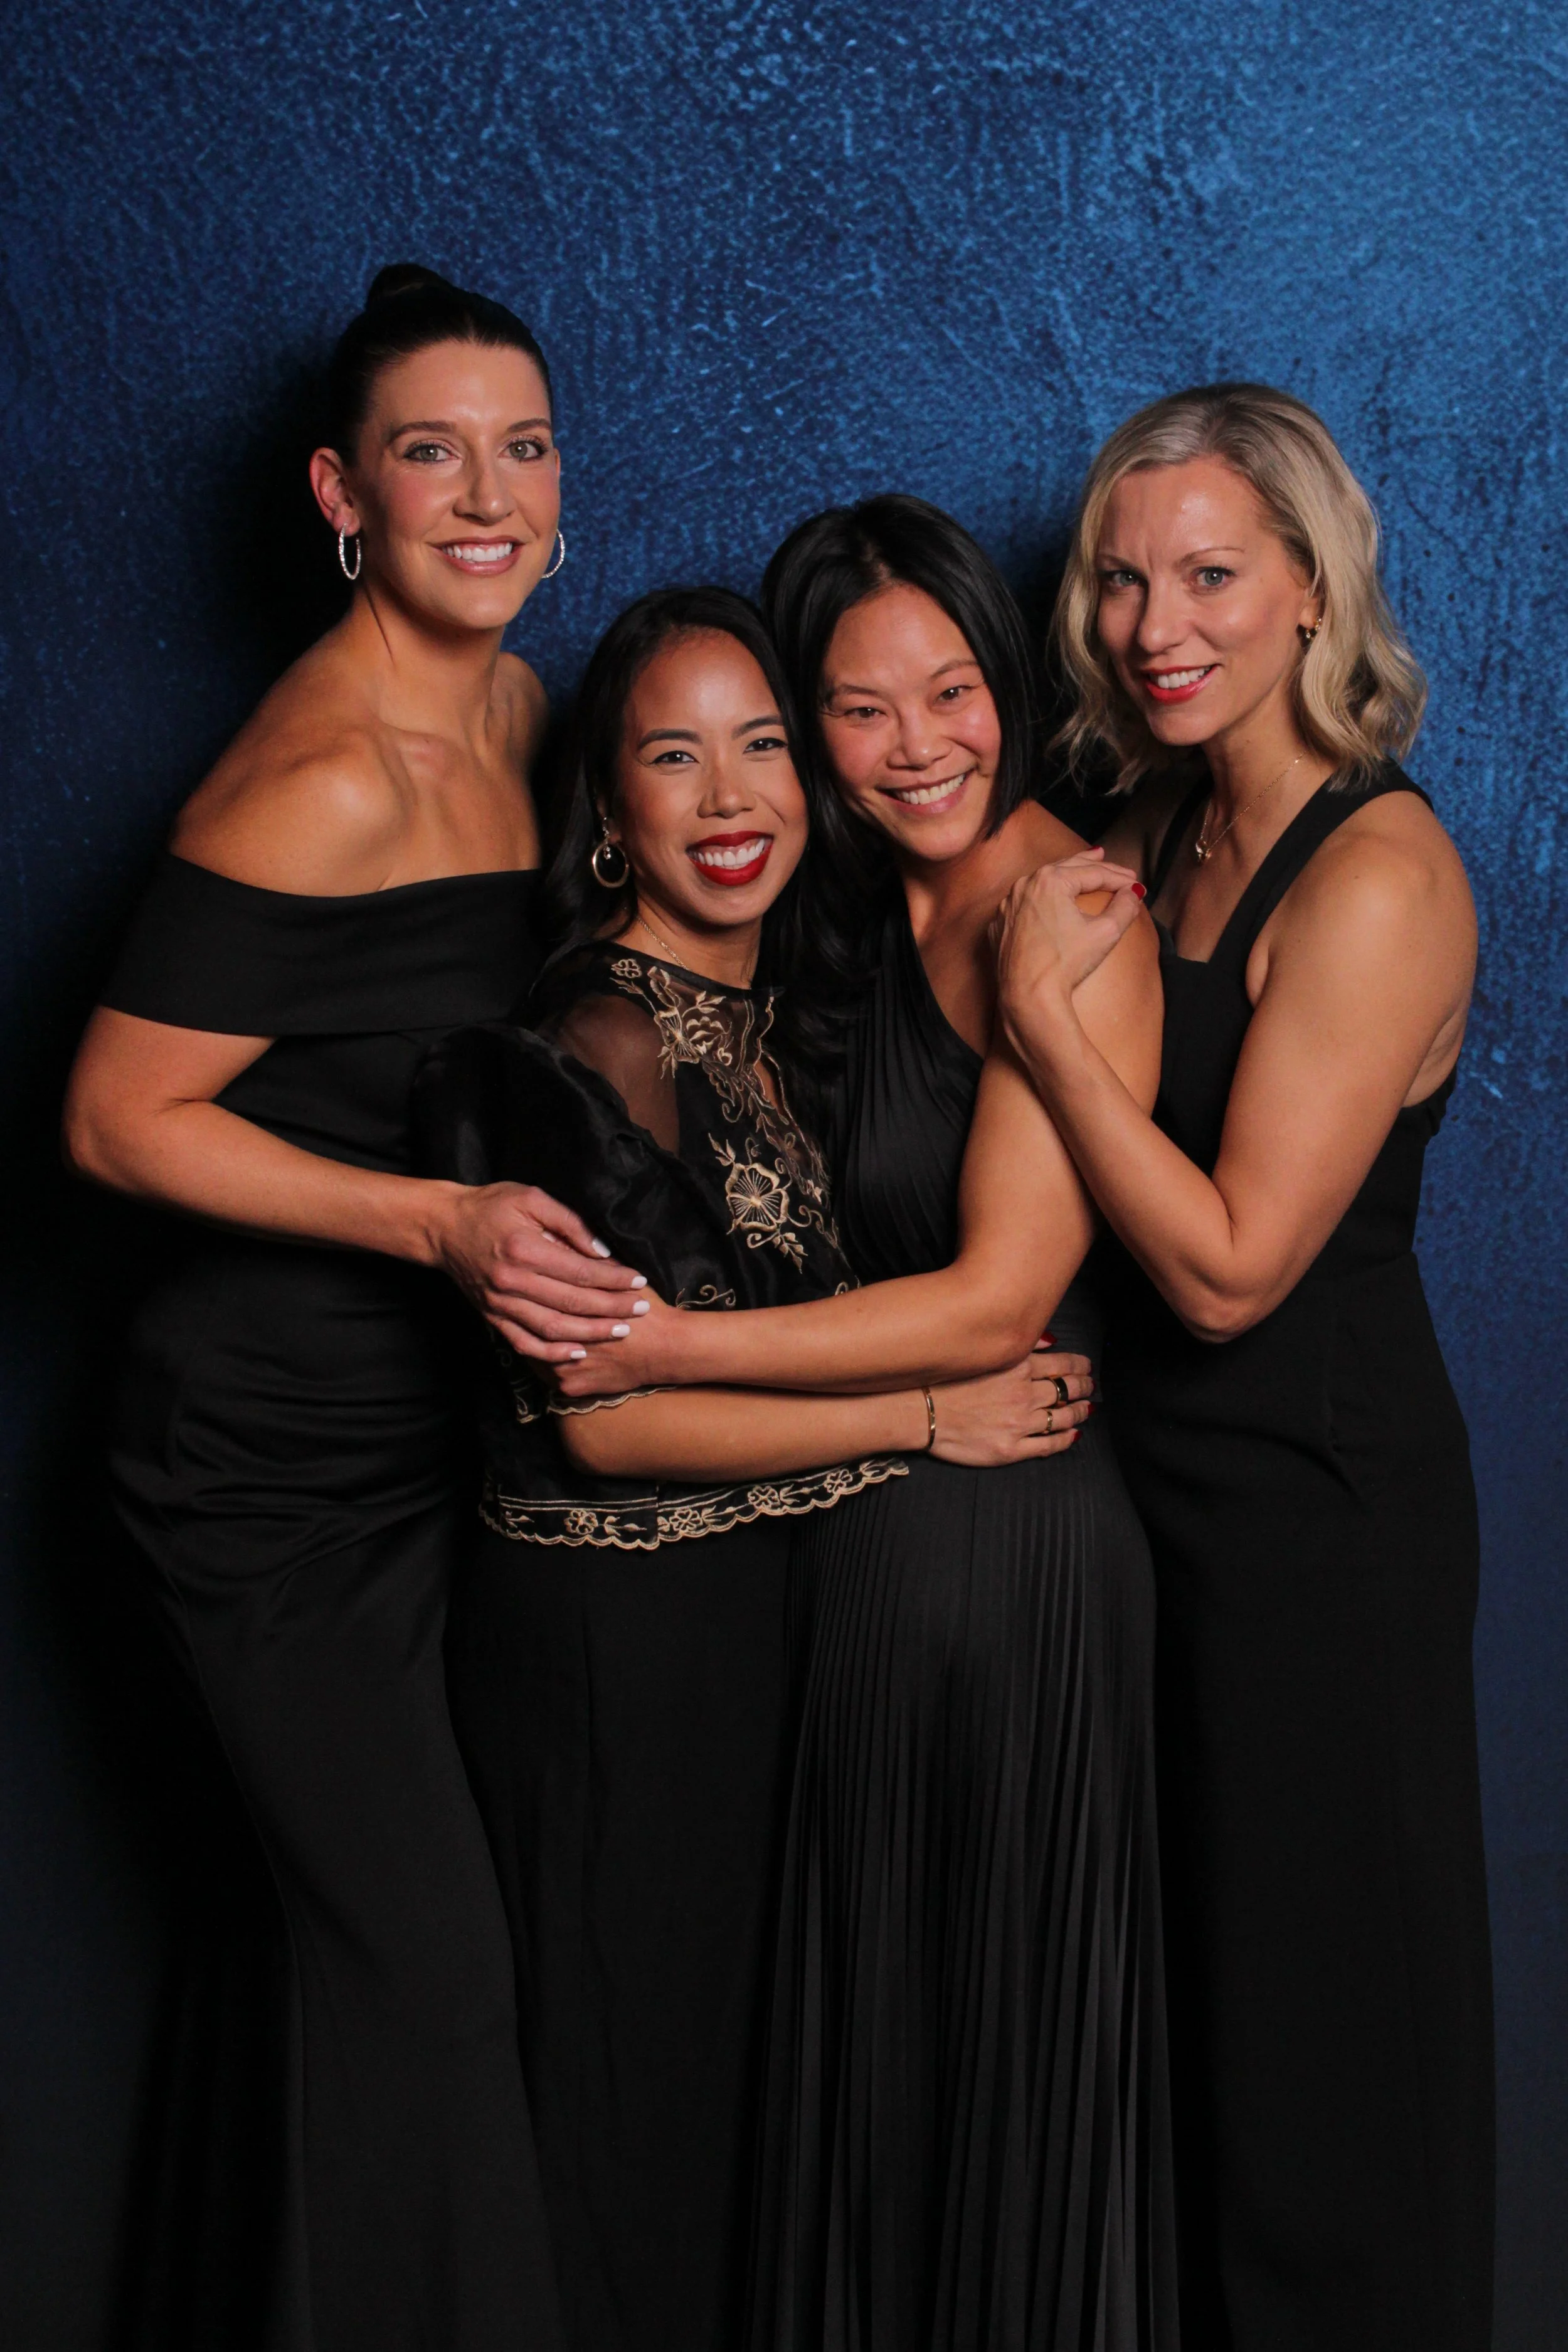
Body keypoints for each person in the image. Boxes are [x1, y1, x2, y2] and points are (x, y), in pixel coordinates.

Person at [61, 264, 637, 2352]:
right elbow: (117, 1122)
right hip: (260, 1473)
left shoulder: (521, 704)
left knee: (324, 1955)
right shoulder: (320, 775)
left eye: (525, 446)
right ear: (341, 493)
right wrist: (437, 1228)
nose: (486, 494)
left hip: (437, 1451)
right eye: (429, 452)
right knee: (421, 1969)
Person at [418, 585, 1086, 2352]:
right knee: (623, 2121)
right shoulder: (589, 1041)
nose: (729, 795)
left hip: (748, 1632)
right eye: (671, 752)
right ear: (609, 807)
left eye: (765, 743)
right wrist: (922, 1416)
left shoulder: (774, 1008)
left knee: (736, 2132)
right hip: (608, 1651)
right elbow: (606, 1415)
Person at [544, 501, 1179, 2352]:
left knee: (1003, 2072)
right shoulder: (817, 907)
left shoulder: (1067, 913)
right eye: (858, 708)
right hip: (853, 1549)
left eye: (954, 691)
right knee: (865, 2081)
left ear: (1008, 682)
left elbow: (994, 1302)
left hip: (1009, 1545)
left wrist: (655, 1350)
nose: (920, 746)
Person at [992, 383, 1493, 2352]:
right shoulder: (1153, 822)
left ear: (1309, 586)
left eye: (1206, 572)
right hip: (1163, 1522)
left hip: (1318, 1528)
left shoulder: (1377, 876)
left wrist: (1042, 1029)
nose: (1150, 623)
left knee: (1329, 2075)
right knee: (1202, 2061)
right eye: (1118, 580)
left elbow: (1219, 1272)